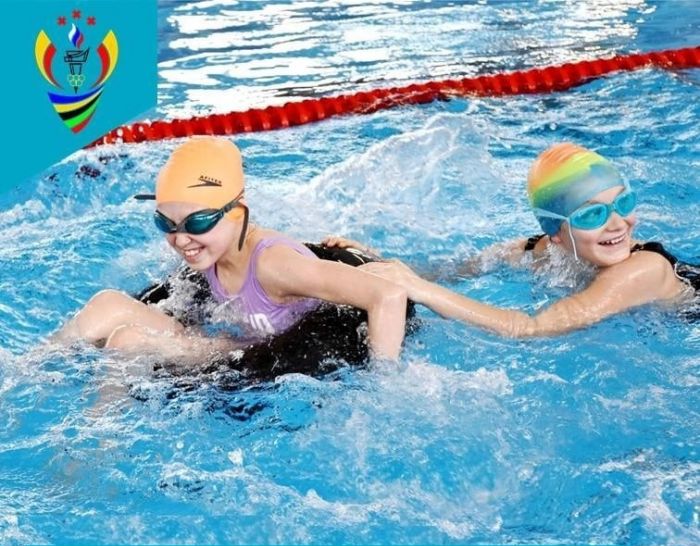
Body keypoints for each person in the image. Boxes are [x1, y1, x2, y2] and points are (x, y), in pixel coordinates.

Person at [53, 137, 408, 365]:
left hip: (267, 354)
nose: (180, 239)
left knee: (125, 340)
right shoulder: (211, 254)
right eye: (166, 223)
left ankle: (100, 447)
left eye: (196, 223)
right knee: (107, 304)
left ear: (237, 212)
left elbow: (388, 295)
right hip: (228, 338)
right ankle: (30, 376)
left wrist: (380, 390)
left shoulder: (274, 265)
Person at [327, 143, 699, 337]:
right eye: (592, 215)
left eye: (623, 203)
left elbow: (531, 328)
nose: (618, 224)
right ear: (556, 234)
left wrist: (421, 290)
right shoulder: (535, 250)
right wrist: (380, 262)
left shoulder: (642, 270)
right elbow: (458, 271)